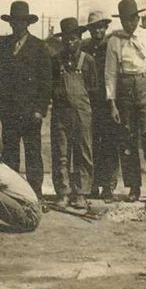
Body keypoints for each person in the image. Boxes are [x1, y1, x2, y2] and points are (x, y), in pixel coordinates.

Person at [0, 1, 52, 199]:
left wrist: (40, 109)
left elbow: (46, 81)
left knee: (33, 153)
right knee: (10, 155)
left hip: (31, 112)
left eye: (21, 21)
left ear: (27, 23)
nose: (17, 25)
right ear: (10, 23)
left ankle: (35, 194)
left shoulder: (39, 47)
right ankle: (13, 193)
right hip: (9, 112)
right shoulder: (3, 44)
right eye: (14, 21)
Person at [105, 0, 146, 208]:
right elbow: (110, 73)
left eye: (131, 20)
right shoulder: (115, 41)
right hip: (124, 90)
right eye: (123, 21)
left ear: (137, 18)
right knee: (128, 140)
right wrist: (112, 103)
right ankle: (133, 186)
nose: (128, 25)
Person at [50, 18, 97, 209]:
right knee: (61, 153)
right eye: (67, 39)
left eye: (74, 38)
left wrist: (85, 109)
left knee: (83, 152)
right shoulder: (56, 60)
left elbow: (93, 89)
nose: (70, 42)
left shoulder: (88, 61)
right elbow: (51, 86)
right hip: (61, 112)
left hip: (82, 112)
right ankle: (63, 192)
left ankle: (81, 193)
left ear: (80, 38)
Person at [81, 11, 119, 200]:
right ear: (89, 30)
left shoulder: (112, 46)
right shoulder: (85, 48)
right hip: (91, 101)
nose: (97, 30)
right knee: (92, 142)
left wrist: (114, 101)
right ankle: (94, 182)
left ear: (105, 27)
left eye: (100, 27)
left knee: (110, 143)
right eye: (93, 27)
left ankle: (109, 185)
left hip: (109, 101)